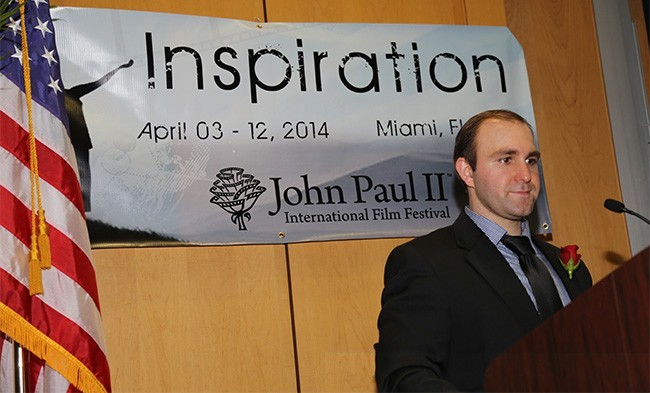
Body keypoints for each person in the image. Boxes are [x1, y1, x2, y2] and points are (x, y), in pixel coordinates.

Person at [374, 109, 592, 392]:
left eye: (531, 160)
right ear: (467, 171)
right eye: (505, 159)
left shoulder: (566, 266)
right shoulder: (425, 263)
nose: (525, 175)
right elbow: (403, 378)